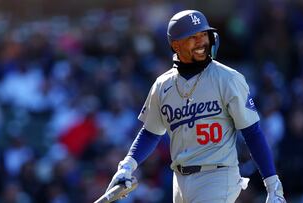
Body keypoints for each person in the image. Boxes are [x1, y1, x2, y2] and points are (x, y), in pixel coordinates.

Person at [106, 9, 286, 203]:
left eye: (204, 34)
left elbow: (252, 132)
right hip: (180, 180)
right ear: (176, 45)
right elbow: (150, 132)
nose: (201, 42)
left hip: (217, 175)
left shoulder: (228, 79)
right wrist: (127, 165)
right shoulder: (162, 85)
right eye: (193, 37)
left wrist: (272, 184)